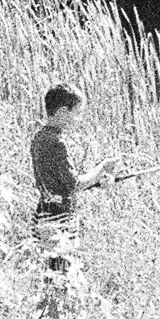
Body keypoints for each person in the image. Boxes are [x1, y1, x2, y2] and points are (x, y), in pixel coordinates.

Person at [29, 84, 112, 292]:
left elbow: (59, 184)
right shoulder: (57, 142)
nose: (79, 120)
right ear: (64, 111)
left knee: (51, 275)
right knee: (62, 277)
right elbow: (74, 184)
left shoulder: (39, 138)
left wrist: (95, 182)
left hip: (44, 213)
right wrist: (101, 169)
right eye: (77, 114)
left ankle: (53, 317)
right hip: (59, 218)